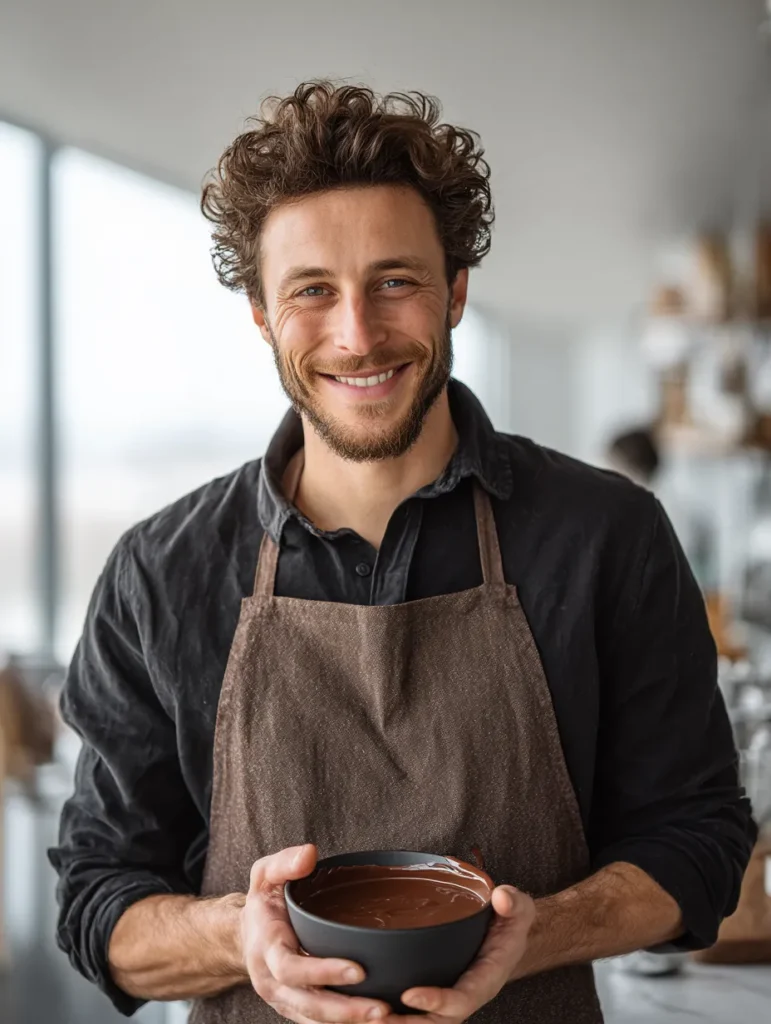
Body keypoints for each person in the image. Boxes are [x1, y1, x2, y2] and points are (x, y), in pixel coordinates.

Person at [50, 83, 755, 1024]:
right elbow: (100, 900)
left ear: (456, 290)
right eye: (310, 291)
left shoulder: (607, 538)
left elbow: (699, 844)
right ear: (260, 313)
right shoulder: (159, 573)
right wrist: (238, 939)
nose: (357, 334)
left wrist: (527, 935)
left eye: (395, 281)